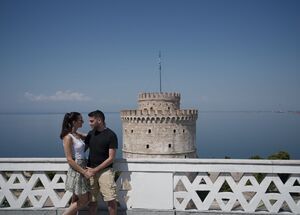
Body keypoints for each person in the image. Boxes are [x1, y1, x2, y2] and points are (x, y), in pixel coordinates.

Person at [85, 110, 118, 215]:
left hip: (105, 171)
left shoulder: (111, 135)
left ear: (99, 120)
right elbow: (83, 149)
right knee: (92, 201)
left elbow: (111, 158)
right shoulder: (91, 134)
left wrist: (95, 170)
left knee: (110, 200)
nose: (89, 123)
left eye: (91, 121)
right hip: (90, 171)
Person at [60, 112, 92, 215]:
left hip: (83, 165)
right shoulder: (68, 137)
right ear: (74, 122)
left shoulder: (77, 134)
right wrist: (83, 172)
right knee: (85, 199)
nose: (83, 121)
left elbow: (89, 137)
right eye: (80, 120)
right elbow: (69, 159)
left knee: (75, 198)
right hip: (77, 169)